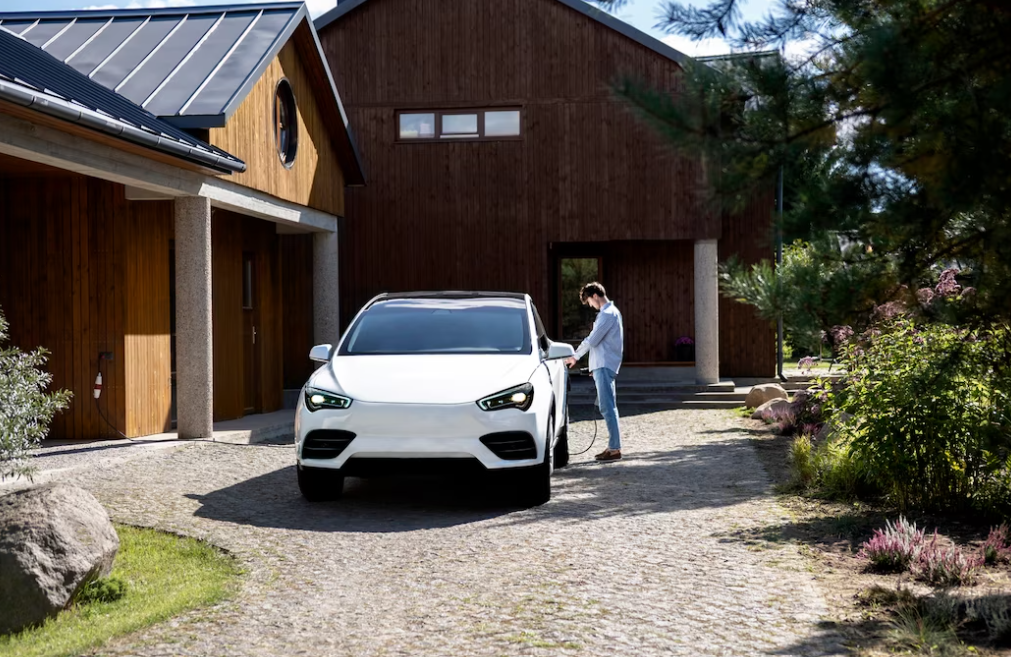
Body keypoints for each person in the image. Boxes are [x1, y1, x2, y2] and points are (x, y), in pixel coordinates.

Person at [565, 282, 624, 461]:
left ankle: (614, 448)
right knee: (608, 406)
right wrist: (594, 366)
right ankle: (613, 446)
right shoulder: (612, 313)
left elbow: (593, 340)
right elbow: (604, 344)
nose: (590, 305)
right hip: (603, 365)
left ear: (595, 296)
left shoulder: (607, 314)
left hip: (604, 365)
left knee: (607, 407)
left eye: (589, 301)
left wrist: (574, 356)